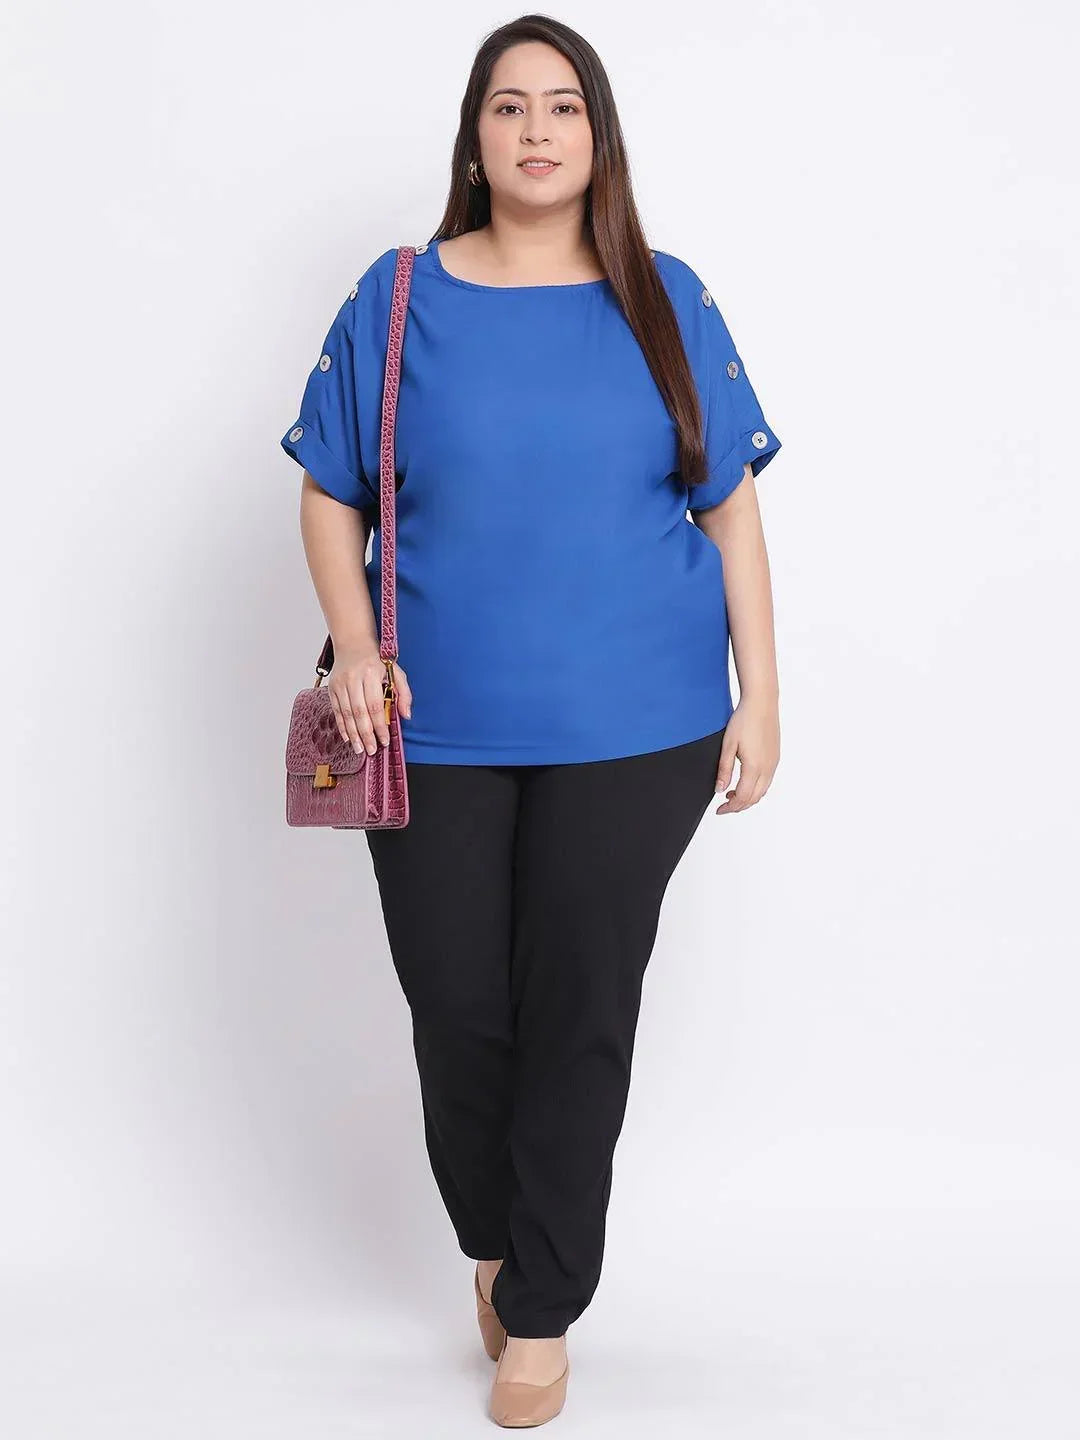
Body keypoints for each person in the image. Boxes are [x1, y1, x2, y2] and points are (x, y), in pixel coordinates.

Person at [280, 14, 783, 1428]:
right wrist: (357, 647)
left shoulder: (666, 297)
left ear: (599, 137)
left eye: (565, 106)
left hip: (641, 722)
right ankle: (497, 1240)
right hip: (426, 721)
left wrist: (764, 692)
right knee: (459, 1008)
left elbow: (732, 509)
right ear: (476, 138)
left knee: (579, 1008)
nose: (538, 130)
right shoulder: (396, 297)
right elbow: (329, 491)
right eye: (510, 106)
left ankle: (544, 1309)